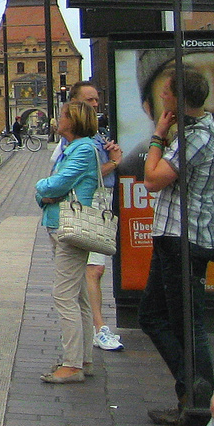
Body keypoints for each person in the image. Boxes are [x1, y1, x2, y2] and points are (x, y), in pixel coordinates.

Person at [139, 66, 214, 426]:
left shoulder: (197, 136)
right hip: (172, 237)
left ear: (177, 98)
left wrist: (158, 134)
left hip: (184, 240)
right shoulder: (191, 132)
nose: (163, 99)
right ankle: (191, 395)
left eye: (167, 93)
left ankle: (199, 401)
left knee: (188, 322)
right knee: (154, 317)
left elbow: (153, 179)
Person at [34, 99, 102, 384]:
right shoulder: (74, 149)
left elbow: (57, 184)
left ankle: (72, 364)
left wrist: (40, 188)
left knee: (63, 295)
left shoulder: (83, 149)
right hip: (63, 224)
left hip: (70, 228)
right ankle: (83, 358)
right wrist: (46, 194)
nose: (57, 119)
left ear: (72, 121)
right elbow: (56, 187)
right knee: (79, 296)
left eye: (61, 115)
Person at [62, 81, 124, 353]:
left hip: (100, 204)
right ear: (75, 103)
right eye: (89, 100)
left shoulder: (97, 135)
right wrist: (115, 161)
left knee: (89, 271)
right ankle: (98, 329)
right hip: (88, 207)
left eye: (97, 99)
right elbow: (89, 171)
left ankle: (89, 334)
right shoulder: (80, 141)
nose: (95, 104)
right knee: (92, 270)